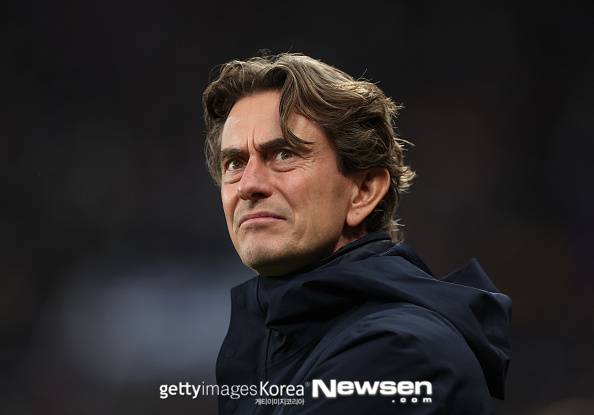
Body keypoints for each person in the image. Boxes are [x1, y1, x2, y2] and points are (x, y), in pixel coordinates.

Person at [202, 52, 511, 414]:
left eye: (283, 154)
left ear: (363, 191)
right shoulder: (284, 346)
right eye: (235, 163)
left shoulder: (398, 353)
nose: (248, 185)